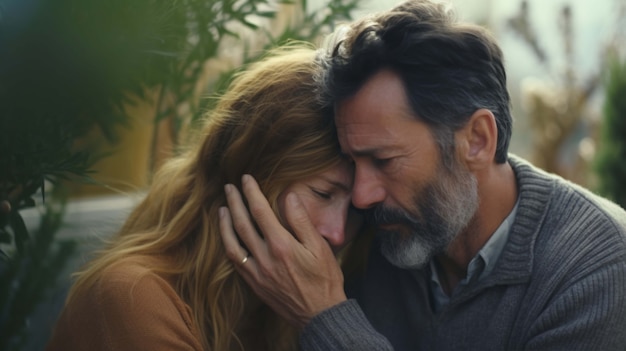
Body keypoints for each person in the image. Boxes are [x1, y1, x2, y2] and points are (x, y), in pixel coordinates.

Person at [219, 1, 626, 350]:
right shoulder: (378, 235)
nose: (361, 197)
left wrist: (325, 317)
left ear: (477, 140)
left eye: (384, 161)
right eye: (353, 162)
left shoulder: (597, 273)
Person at [46, 44, 369, 351]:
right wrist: (323, 319)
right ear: (250, 175)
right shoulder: (133, 296)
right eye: (322, 193)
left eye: (354, 209)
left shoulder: (279, 309)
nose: (337, 232)